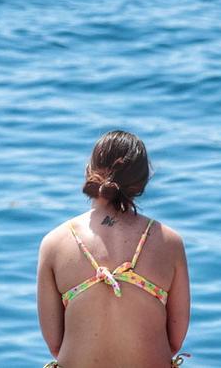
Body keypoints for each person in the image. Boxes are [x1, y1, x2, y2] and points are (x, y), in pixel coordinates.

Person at [37, 130, 191, 368]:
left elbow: (56, 345)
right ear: (141, 182)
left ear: (89, 171)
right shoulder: (169, 242)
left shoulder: (54, 242)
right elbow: (175, 340)